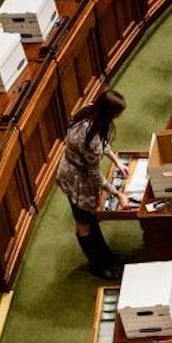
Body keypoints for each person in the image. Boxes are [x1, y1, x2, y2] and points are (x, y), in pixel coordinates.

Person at [54, 88, 131, 280]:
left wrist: (117, 161)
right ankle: (97, 265)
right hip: (77, 182)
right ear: (108, 113)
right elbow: (95, 175)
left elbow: (103, 141)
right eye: (118, 113)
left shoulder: (88, 110)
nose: (120, 116)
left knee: (91, 218)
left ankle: (107, 257)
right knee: (84, 224)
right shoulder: (91, 141)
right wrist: (118, 194)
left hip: (73, 171)